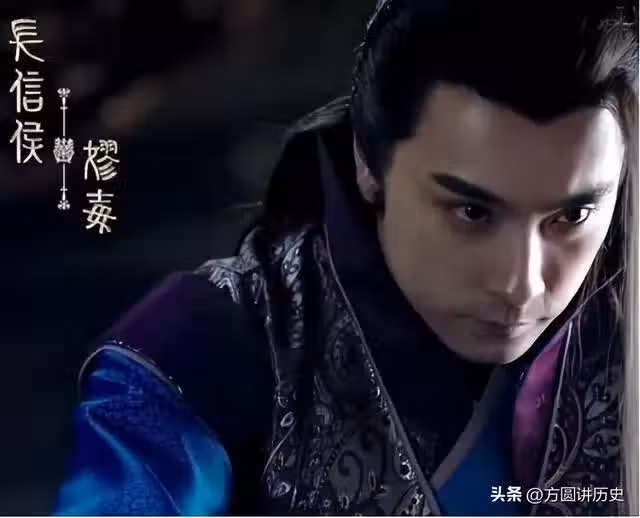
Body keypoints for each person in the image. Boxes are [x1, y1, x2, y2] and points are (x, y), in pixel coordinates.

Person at [53, 0, 638, 515]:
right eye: (472, 212)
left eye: (572, 216)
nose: (522, 284)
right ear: (369, 162)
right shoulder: (206, 347)